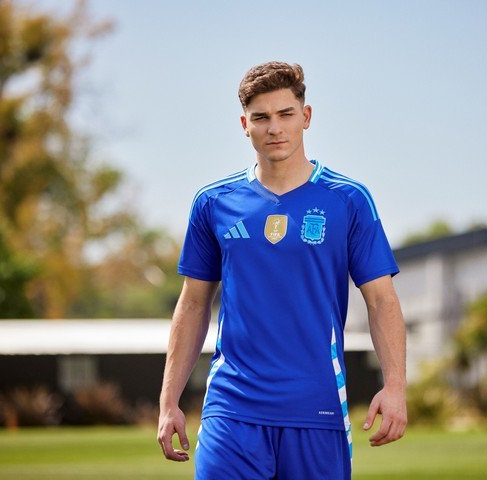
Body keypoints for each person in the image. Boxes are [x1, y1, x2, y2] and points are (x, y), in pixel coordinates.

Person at [157, 61, 407, 480]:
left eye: (285, 114)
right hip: (232, 407)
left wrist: (395, 386)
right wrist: (168, 402)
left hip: (316, 407)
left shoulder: (348, 199)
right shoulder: (213, 202)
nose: (274, 128)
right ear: (244, 125)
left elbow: (382, 301)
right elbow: (193, 304)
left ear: (305, 117)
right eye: (261, 118)